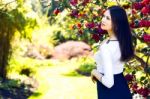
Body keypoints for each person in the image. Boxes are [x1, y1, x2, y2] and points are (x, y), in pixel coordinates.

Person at [91, 6, 134, 99]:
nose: (103, 20)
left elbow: (109, 82)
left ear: (117, 24)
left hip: (110, 92)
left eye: (108, 18)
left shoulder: (107, 47)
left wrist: (94, 72)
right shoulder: (121, 42)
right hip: (121, 86)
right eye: (104, 16)